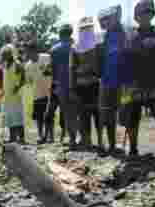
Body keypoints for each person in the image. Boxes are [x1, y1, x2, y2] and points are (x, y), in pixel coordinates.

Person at [123, 0, 155, 158]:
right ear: (136, 16)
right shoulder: (129, 35)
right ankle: (133, 149)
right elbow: (124, 59)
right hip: (134, 83)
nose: (144, 16)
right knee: (132, 117)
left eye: (148, 12)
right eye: (141, 13)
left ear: (152, 14)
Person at [97, 5, 128, 155]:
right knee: (105, 115)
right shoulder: (106, 35)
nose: (103, 23)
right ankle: (106, 145)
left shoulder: (122, 33)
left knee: (121, 115)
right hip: (106, 80)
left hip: (120, 80)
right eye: (102, 21)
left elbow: (119, 8)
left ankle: (119, 146)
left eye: (106, 20)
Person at [71, 17, 104, 149]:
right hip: (84, 85)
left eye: (87, 27)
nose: (86, 30)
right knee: (86, 114)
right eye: (84, 28)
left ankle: (98, 141)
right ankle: (90, 141)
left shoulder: (97, 44)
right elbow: (72, 68)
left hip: (93, 84)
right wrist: (72, 86)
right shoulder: (77, 47)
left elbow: (101, 64)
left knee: (95, 114)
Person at [50, 25, 76, 146]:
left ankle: (71, 138)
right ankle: (82, 138)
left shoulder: (54, 50)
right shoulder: (75, 47)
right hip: (75, 84)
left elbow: (53, 70)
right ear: (70, 34)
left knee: (66, 113)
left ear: (60, 35)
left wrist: (54, 84)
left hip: (61, 84)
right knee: (76, 112)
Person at [27, 45, 53, 144]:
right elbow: (29, 80)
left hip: (49, 91)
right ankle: (40, 135)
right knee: (38, 117)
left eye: (29, 52)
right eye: (26, 52)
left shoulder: (46, 57)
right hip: (37, 94)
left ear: (34, 50)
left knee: (49, 115)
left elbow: (52, 70)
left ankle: (50, 136)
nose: (28, 54)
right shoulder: (28, 65)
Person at [1, 45, 27, 143]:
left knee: (18, 117)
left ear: (10, 54)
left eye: (7, 54)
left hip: (16, 95)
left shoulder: (17, 64)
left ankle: (21, 138)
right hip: (7, 96)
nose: (5, 56)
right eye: (4, 55)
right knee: (10, 118)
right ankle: (12, 138)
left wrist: (18, 86)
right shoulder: (5, 65)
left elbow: (23, 77)